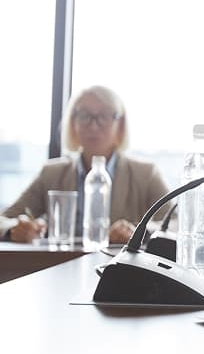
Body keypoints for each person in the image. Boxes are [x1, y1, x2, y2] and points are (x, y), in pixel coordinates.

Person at [1, 85, 171, 244]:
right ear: (72, 123)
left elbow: (175, 224)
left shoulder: (145, 174)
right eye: (84, 116)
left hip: (121, 272)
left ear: (120, 125)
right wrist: (15, 229)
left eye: (104, 116)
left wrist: (138, 231)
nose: (93, 126)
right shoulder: (51, 173)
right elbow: (4, 220)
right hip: (59, 268)